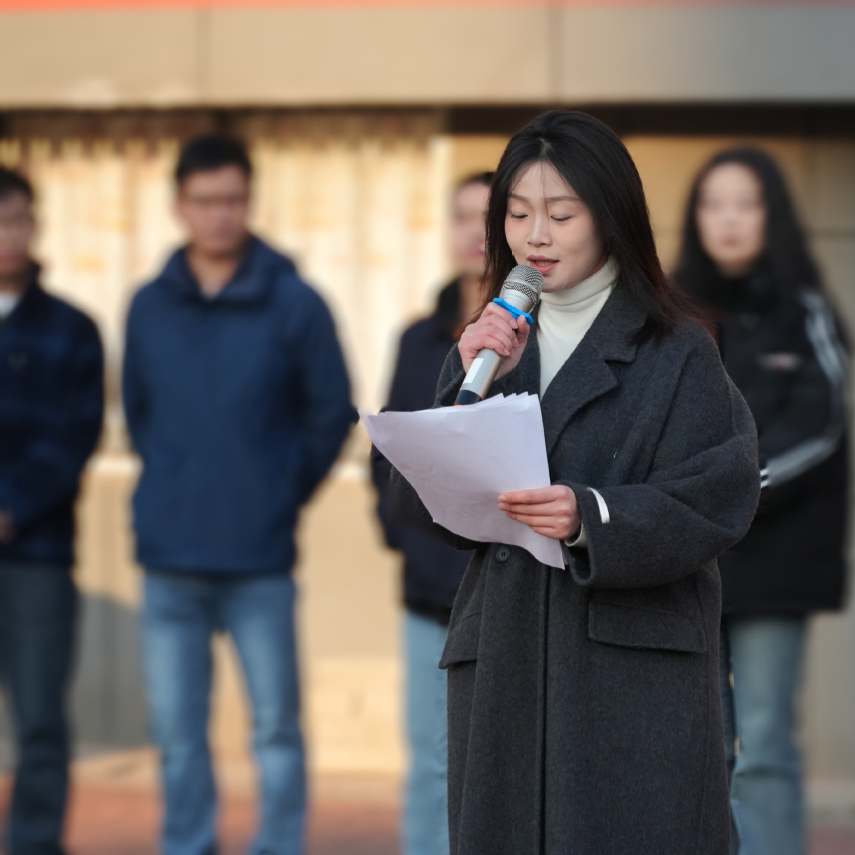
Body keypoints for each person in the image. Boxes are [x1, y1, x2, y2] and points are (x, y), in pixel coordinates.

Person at [387, 110, 761, 855]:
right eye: (518, 214)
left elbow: (721, 493)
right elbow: (422, 503)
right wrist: (463, 384)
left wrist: (592, 516)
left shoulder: (677, 350)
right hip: (507, 661)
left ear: (612, 216)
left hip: (629, 675)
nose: (536, 237)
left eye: (561, 215)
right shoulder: (488, 344)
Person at [122, 134, 353, 855]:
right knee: (177, 732)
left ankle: (278, 844)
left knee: (276, 726)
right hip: (169, 557)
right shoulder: (147, 306)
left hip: (259, 557)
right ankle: (188, 843)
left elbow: (331, 413)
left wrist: (280, 490)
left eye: (232, 199)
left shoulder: (296, 303)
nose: (219, 214)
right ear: (179, 205)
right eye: (204, 201)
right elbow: (138, 411)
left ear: (250, 201)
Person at [673, 147, 851, 855]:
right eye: (714, 203)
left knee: (765, 746)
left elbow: (821, 425)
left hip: (776, 567)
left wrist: (731, 490)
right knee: (697, 751)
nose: (729, 219)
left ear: (772, 215)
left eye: (745, 204)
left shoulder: (805, 312)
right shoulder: (668, 313)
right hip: (684, 564)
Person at [371, 170, 492, 855]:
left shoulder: (546, 336)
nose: (477, 230)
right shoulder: (418, 339)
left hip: (510, 586)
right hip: (428, 590)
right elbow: (387, 452)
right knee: (430, 760)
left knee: (504, 763)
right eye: (463, 215)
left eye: (491, 215)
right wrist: (405, 539)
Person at [0, 167, 104, 855]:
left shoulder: (71, 328)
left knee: (39, 717)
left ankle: (34, 843)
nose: (7, 235)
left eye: (17, 219)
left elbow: (74, 434)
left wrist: (10, 506)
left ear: (35, 225)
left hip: (36, 552)